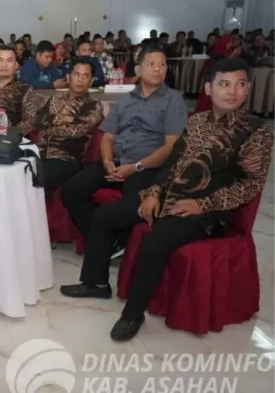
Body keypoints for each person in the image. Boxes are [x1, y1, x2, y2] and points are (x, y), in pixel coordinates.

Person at [69, 58, 273, 341]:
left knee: (157, 238)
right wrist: (153, 193)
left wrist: (202, 205)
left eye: (239, 84)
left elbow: (250, 185)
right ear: (209, 88)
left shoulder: (256, 131)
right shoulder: (197, 121)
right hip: (171, 196)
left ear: (248, 88)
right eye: (224, 84)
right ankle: (96, 283)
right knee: (105, 216)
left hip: (211, 211)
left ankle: (132, 315)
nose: (232, 91)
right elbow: (172, 165)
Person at [59, 45, 187, 258]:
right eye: (151, 64)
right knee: (71, 190)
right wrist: (107, 161)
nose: (158, 69)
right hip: (117, 161)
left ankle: (112, 241)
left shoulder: (174, 100)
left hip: (147, 166)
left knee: (130, 204)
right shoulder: (125, 100)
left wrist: (136, 167)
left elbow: (171, 146)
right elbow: (108, 137)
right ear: (137, 70)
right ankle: (107, 242)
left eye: (162, 65)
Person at [34, 57, 105, 197]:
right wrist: (62, 119)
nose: (80, 80)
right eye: (76, 74)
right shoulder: (55, 99)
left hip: (66, 159)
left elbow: (75, 131)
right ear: (68, 77)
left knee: (38, 179)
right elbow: (37, 120)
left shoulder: (94, 105)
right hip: (39, 153)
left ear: (91, 81)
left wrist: (48, 125)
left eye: (85, 76)